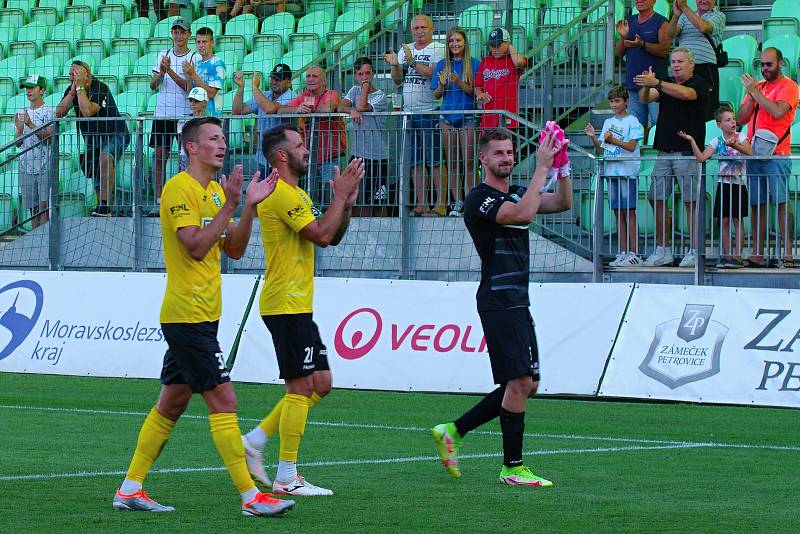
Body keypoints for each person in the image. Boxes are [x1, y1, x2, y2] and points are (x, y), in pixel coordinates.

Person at [112, 117, 294, 517]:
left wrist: (247, 206)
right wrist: (230, 204)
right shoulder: (179, 188)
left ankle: (130, 488)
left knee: (171, 405)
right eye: (213, 138)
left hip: (203, 315)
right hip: (186, 316)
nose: (222, 143)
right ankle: (251, 497)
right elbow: (194, 246)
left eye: (223, 137)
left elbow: (235, 250)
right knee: (224, 399)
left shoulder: (214, 190)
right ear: (191, 147)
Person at [431, 127, 571, 486]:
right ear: (483, 159)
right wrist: (542, 165)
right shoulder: (479, 198)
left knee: (527, 383)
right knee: (521, 381)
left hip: (516, 300)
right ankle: (512, 467)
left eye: (510, 152)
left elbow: (562, 203)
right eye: (499, 153)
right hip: (499, 299)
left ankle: (454, 431)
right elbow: (523, 214)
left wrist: (563, 168)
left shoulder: (519, 192)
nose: (507, 158)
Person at [241, 124, 364, 497]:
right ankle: (287, 476)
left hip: (296, 304)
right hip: (285, 303)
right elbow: (323, 235)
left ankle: (256, 439)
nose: (307, 150)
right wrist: (339, 198)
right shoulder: (280, 193)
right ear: (281, 154)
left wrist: (346, 202)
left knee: (320, 383)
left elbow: (331, 235)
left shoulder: (296, 193)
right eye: (299, 145)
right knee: (301, 387)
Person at [634, 47, 708, 268]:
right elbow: (645, 98)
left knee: (691, 202)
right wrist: (648, 86)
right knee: (655, 198)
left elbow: (686, 94)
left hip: (687, 153)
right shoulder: (664, 83)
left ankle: (695, 250)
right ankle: (662, 250)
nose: (675, 65)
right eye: (673, 62)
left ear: (691, 64)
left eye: (680, 62)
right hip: (664, 152)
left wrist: (656, 83)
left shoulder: (699, 82)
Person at [737, 47, 798, 268]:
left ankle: (789, 252)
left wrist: (756, 93)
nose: (764, 69)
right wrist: (753, 95)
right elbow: (741, 119)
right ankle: (757, 253)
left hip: (777, 154)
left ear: (780, 64)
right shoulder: (757, 88)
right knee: (757, 204)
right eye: (762, 65)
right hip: (754, 155)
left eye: (769, 64)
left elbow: (777, 112)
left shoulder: (789, 86)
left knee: (781, 203)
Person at [385, 14, 446, 217]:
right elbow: (397, 81)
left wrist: (411, 62)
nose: (419, 31)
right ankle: (422, 204)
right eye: (416, 28)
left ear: (432, 28)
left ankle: (440, 204)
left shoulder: (438, 48)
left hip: (431, 111)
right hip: (409, 114)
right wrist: (395, 65)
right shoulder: (406, 49)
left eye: (423, 27)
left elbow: (434, 74)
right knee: (416, 162)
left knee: (435, 160)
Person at [678, 107, 752, 268]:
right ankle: (727, 256)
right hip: (723, 185)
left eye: (733, 119)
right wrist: (691, 141)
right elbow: (701, 158)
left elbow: (749, 152)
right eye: (727, 120)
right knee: (724, 220)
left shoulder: (742, 137)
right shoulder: (717, 141)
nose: (732, 122)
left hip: (738, 184)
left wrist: (736, 145)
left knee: (737, 220)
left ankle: (737, 256)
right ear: (719, 125)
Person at [55, 60, 131, 217]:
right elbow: (59, 113)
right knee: (95, 169)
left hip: (116, 133)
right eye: (70, 75)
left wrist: (80, 87)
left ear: (86, 74)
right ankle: (102, 208)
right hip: (92, 138)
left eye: (75, 74)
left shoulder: (99, 87)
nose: (72, 78)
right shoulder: (72, 89)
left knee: (105, 157)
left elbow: (87, 111)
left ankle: (105, 205)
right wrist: (72, 93)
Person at [585, 85, 644, 267]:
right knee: (618, 212)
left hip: (627, 172)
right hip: (611, 172)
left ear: (626, 101)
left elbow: (631, 146)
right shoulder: (608, 123)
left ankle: (634, 253)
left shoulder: (633, 121)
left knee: (630, 211)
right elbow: (601, 148)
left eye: (617, 101)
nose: (614, 104)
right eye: (611, 101)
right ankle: (623, 251)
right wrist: (594, 137)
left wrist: (613, 140)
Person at [269, 67, 346, 206]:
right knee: (311, 199)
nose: (310, 79)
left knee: (331, 198)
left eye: (314, 76)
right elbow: (281, 109)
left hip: (331, 156)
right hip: (310, 156)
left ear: (324, 81)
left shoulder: (331, 93)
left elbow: (328, 108)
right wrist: (297, 109)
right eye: (308, 76)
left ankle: (332, 226)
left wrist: (311, 111)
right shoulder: (304, 96)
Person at [431, 27, 480, 217]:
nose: (454, 44)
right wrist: (442, 84)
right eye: (451, 41)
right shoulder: (442, 65)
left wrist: (458, 82)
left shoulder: (474, 64)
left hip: (467, 117)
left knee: (469, 162)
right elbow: (436, 95)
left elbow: (474, 93)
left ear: (465, 42)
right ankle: (458, 202)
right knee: (452, 163)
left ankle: (471, 201)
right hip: (446, 119)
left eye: (458, 40)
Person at [150, 18, 198, 211]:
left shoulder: (193, 57)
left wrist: (169, 70)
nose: (178, 35)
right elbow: (153, 85)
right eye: (175, 32)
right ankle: (158, 200)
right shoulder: (163, 54)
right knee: (160, 155)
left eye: (182, 32)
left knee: (185, 158)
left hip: (185, 114)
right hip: (163, 113)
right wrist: (162, 72)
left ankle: (185, 198)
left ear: (188, 35)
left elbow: (189, 89)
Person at [337, 57, 392, 217]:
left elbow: (361, 106)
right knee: (356, 199)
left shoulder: (380, 96)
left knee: (379, 201)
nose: (364, 77)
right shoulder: (354, 90)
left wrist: (365, 87)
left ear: (373, 74)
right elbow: (340, 106)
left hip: (377, 156)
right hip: (358, 155)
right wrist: (351, 111)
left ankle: (382, 233)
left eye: (368, 73)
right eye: (361, 74)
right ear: (355, 75)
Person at [614, 0, 670, 139]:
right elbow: (619, 53)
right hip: (633, 84)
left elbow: (664, 50)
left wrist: (642, 44)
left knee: (658, 125)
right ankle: (640, 158)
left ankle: (656, 157)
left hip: (655, 85)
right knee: (636, 128)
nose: (639, 0)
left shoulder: (662, 22)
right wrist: (623, 37)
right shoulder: (629, 21)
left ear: (654, 1)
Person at [233, 64, 296, 178]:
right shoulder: (265, 95)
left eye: (279, 79)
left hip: (284, 160)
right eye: (273, 78)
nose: (274, 82)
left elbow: (270, 109)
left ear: (288, 82)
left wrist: (255, 88)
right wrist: (240, 88)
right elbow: (238, 110)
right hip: (263, 158)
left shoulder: (292, 97)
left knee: (281, 195)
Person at [666, 0, 725, 121]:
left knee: (708, 109)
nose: (703, 0)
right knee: (683, 107)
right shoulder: (683, 15)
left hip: (706, 68)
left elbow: (703, 27)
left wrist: (684, 7)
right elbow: (670, 34)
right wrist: (676, 16)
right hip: (684, 70)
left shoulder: (719, 15)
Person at [14, 75, 53, 229]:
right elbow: (18, 143)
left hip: (45, 164)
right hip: (26, 165)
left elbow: (49, 139)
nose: (28, 91)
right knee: (33, 209)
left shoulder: (49, 112)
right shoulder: (21, 112)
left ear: (42, 90)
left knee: (44, 207)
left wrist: (30, 125)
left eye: (32, 87)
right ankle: (35, 243)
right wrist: (18, 129)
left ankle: (44, 242)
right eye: (27, 88)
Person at [474, 28, 528, 131]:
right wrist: (479, 94)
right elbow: (477, 86)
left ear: (507, 44)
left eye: (498, 45)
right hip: (488, 116)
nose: (494, 49)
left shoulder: (512, 60)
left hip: (508, 116)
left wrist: (510, 47)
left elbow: (519, 63)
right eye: (492, 45)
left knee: (507, 146)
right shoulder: (485, 61)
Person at [182, 27, 226, 118]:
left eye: (204, 42)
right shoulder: (197, 64)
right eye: (198, 42)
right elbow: (191, 93)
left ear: (212, 42)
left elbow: (211, 94)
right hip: (197, 118)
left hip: (213, 117)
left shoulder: (217, 64)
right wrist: (189, 78)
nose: (201, 45)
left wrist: (193, 75)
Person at [178, 87, 211, 171]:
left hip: (205, 154)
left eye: (196, 101)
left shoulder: (211, 121)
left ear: (204, 103)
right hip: (187, 155)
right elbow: (182, 139)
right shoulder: (182, 119)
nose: (193, 103)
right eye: (190, 100)